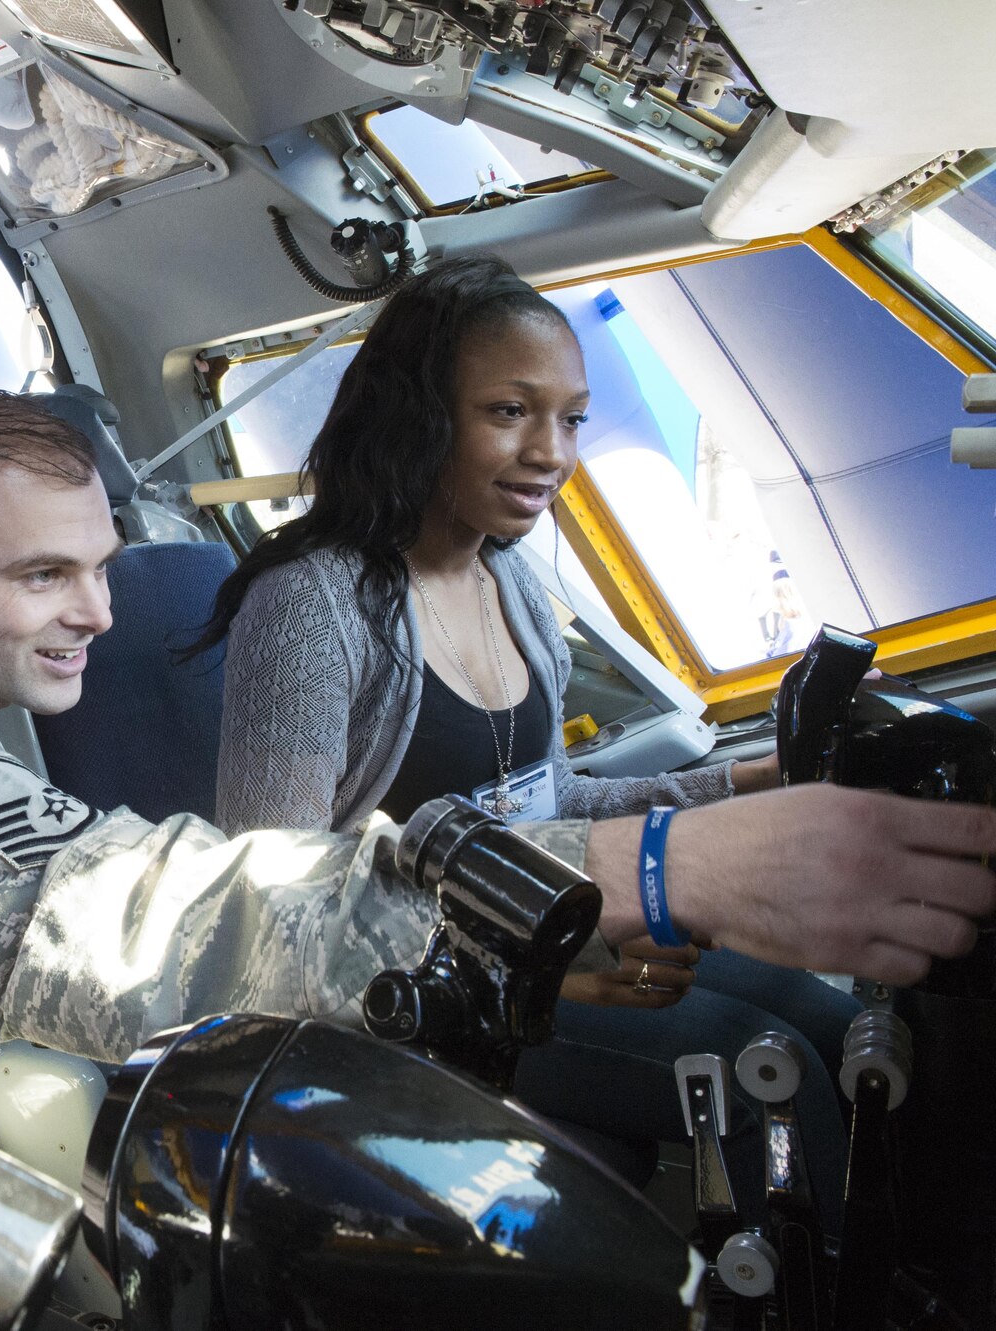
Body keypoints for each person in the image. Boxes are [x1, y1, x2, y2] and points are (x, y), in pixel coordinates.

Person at [0, 389, 996, 1083]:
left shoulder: (508, 597)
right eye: (45, 574)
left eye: (98, 567)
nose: (98, 612)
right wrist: (665, 870)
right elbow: (100, 911)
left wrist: (700, 801)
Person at [202, 255, 858, 1210]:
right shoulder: (309, 607)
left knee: (828, 1020)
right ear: (419, 416)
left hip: (546, 937)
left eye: (572, 417)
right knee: (775, 1068)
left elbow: (549, 802)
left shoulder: (511, 583)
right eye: (510, 412)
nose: (552, 451)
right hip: (415, 1006)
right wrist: (528, 973)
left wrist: (753, 783)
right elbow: (274, 902)